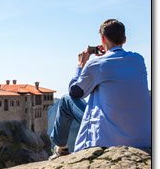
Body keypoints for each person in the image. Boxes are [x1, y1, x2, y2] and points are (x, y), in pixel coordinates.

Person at [50, 18, 151, 158]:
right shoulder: (138, 59)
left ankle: (61, 150)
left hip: (109, 139)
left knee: (66, 100)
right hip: (142, 139)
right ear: (125, 39)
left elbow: (76, 92)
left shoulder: (96, 63)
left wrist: (81, 65)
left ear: (103, 39)